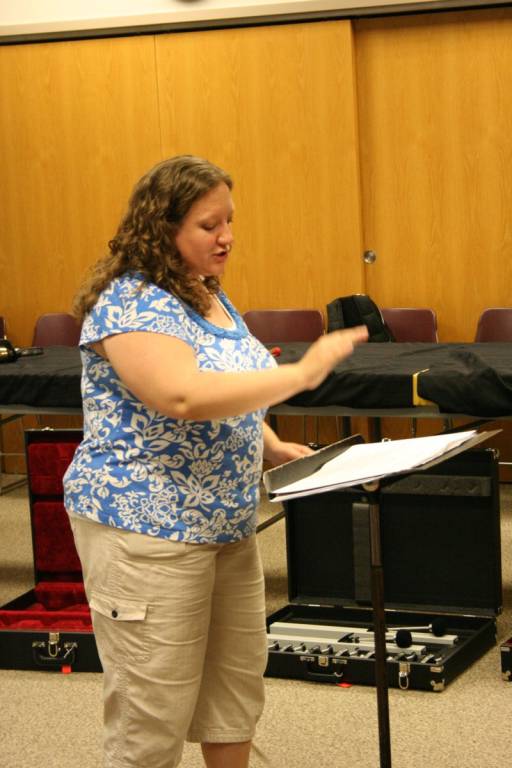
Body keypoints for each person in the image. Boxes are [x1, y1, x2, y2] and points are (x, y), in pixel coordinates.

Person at [63, 154, 367, 768]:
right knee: (152, 712)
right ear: (163, 227)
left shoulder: (205, 292)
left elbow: (228, 380)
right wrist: (302, 373)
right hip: (148, 531)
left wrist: (269, 442)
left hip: (225, 523)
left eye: (229, 220)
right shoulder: (131, 301)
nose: (227, 236)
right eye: (209, 225)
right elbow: (182, 395)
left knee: (233, 695)